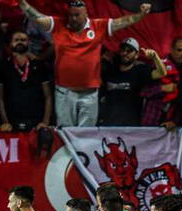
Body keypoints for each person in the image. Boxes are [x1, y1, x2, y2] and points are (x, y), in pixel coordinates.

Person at [18, 0, 152, 127]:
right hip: (64, 92)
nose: (73, 18)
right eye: (70, 15)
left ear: (86, 14)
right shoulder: (59, 25)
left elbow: (124, 21)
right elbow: (37, 18)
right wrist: (22, 3)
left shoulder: (98, 26)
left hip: (90, 93)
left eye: (77, 15)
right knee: (65, 133)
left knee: (87, 134)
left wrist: (140, 14)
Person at [99, 37, 168, 126]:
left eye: (129, 51)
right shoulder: (110, 70)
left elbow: (161, 73)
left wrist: (155, 57)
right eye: (123, 50)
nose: (125, 53)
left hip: (131, 125)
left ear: (136, 55)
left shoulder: (140, 71)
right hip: (108, 123)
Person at [0, 30, 51, 132]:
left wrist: (45, 122)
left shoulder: (39, 65)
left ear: (28, 43)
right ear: (11, 43)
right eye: (16, 40)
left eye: (23, 40)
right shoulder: (4, 66)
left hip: (36, 122)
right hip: (12, 122)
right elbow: (0, 98)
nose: (20, 42)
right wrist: (5, 122)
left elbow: (48, 96)